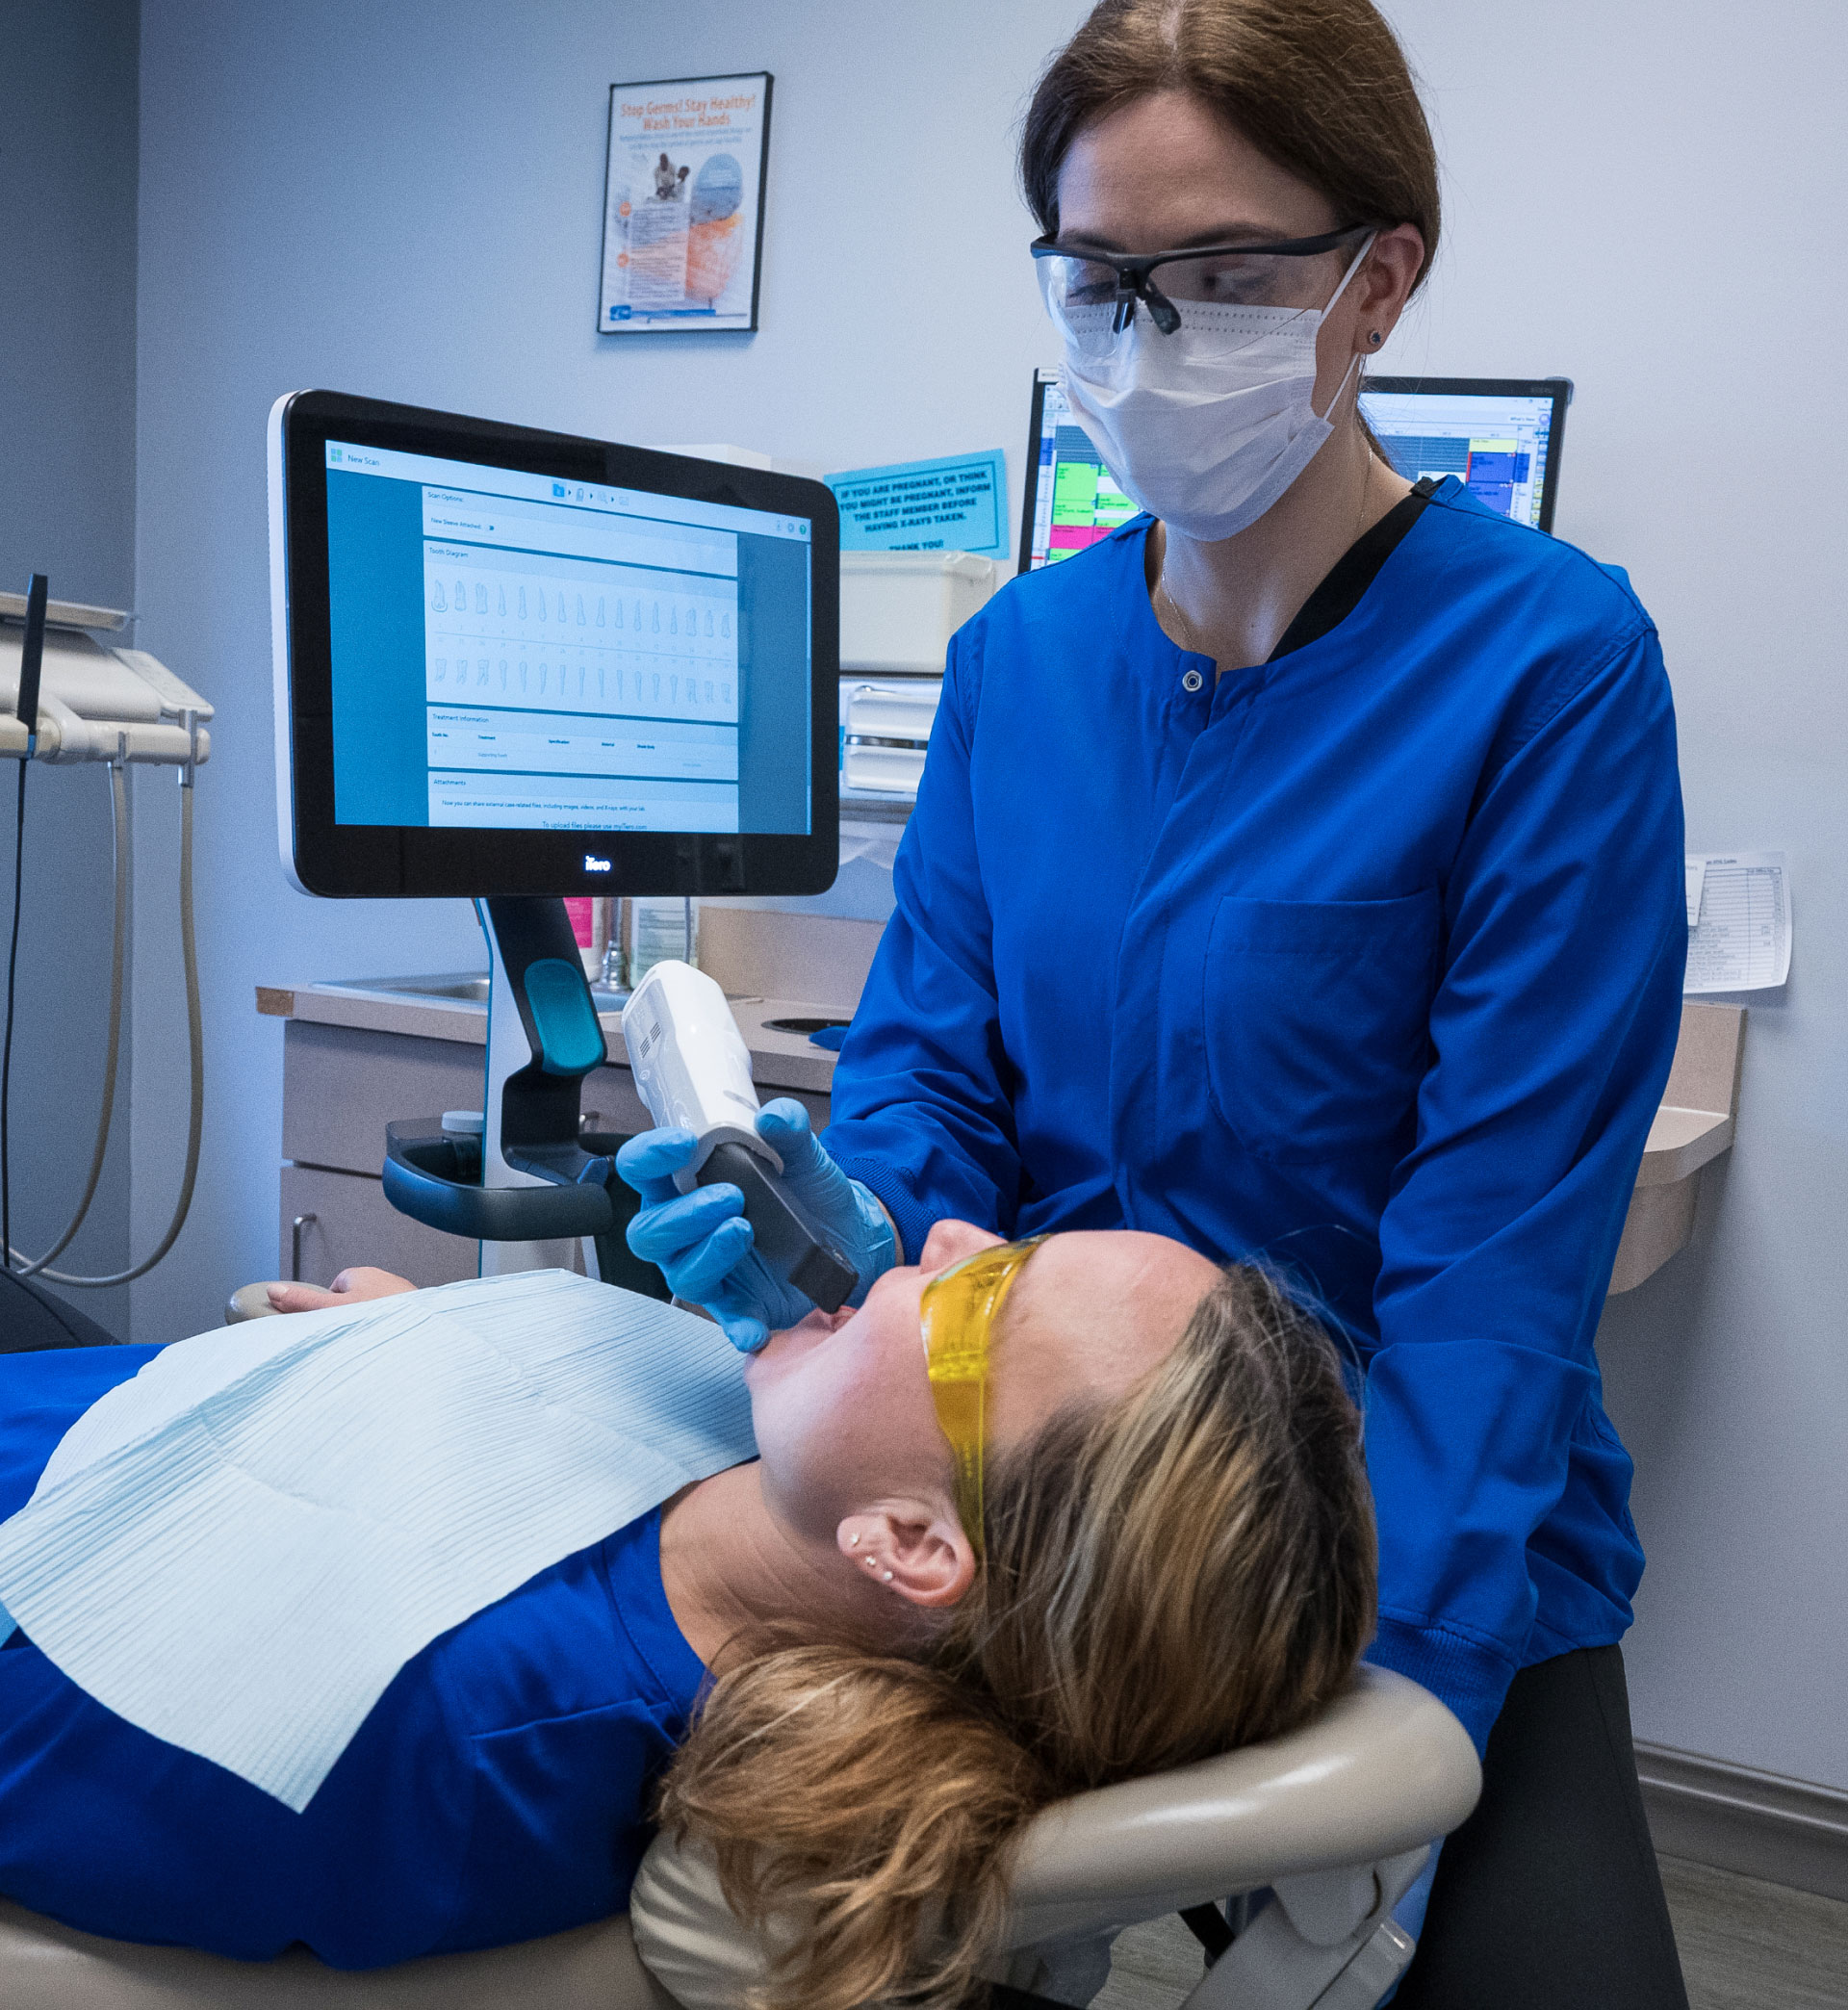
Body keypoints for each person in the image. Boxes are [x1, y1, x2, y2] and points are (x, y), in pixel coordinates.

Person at [618, 3, 1691, 2004]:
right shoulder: (1024, 659)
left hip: (1420, 1547)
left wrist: (1384, 1746)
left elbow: (1492, 1283)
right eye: (1099, 282)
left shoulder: (1551, 672)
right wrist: (857, 1248)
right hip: (1041, 1538)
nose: (1146, 338)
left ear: (1378, 283)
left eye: (1218, 280)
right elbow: (928, 1068)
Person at [0, 1229, 1373, 2009]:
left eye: (977, 1293)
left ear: (910, 1543)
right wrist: (409, 1351)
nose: (939, 1237)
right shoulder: (734, 1452)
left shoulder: (461, 1728)